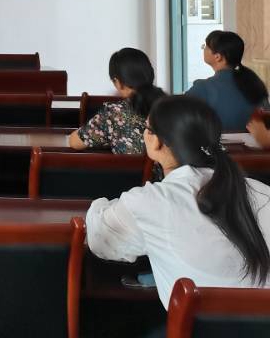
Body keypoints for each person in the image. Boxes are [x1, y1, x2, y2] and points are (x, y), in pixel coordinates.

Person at [86, 96, 270, 309]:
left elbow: (100, 240)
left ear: (156, 141)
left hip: (195, 326)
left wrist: (100, 204)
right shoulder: (262, 192)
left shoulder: (149, 203)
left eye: (147, 128)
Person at [69, 48, 165, 153]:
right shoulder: (171, 106)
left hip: (129, 165)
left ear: (117, 82)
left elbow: (74, 142)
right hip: (169, 164)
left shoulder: (113, 113)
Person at [186, 30, 269, 131]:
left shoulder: (203, 88)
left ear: (218, 57)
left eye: (206, 47)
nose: (203, 49)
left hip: (217, 141)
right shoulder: (255, 84)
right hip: (258, 141)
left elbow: (176, 115)